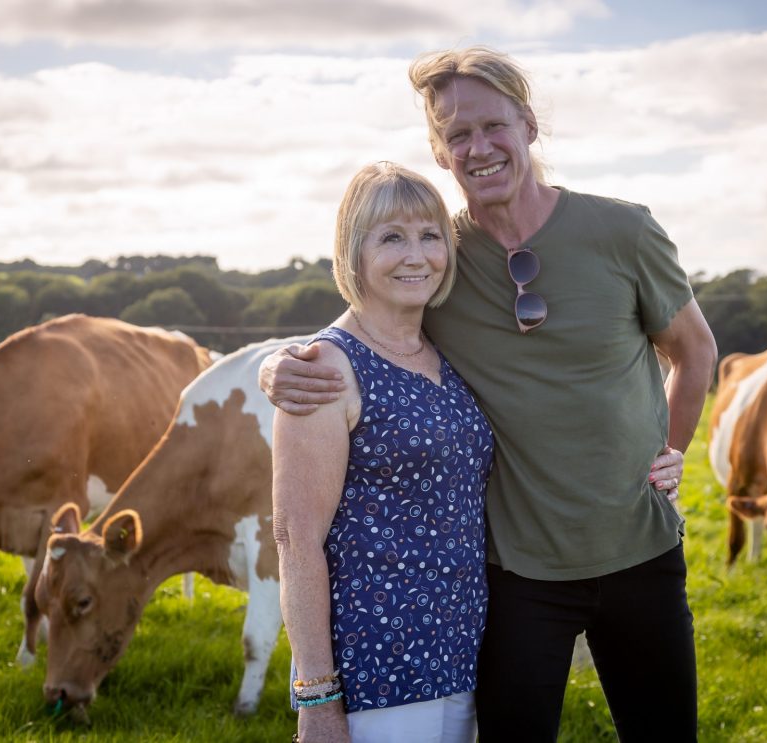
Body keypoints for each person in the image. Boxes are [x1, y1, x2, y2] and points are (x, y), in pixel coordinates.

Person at [262, 47, 717, 743]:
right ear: (441, 153)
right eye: (456, 134)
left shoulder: (624, 231)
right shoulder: (442, 254)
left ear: (528, 124)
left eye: (493, 125)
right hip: (516, 576)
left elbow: (695, 351)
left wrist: (672, 449)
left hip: (641, 552)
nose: (479, 147)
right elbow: (368, 324)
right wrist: (278, 365)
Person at [272, 161, 495, 743]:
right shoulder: (327, 369)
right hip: (377, 671)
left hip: (464, 657)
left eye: (430, 236)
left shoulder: (444, 353)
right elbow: (296, 541)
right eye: (391, 237)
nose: (416, 255)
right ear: (354, 250)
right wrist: (318, 698)